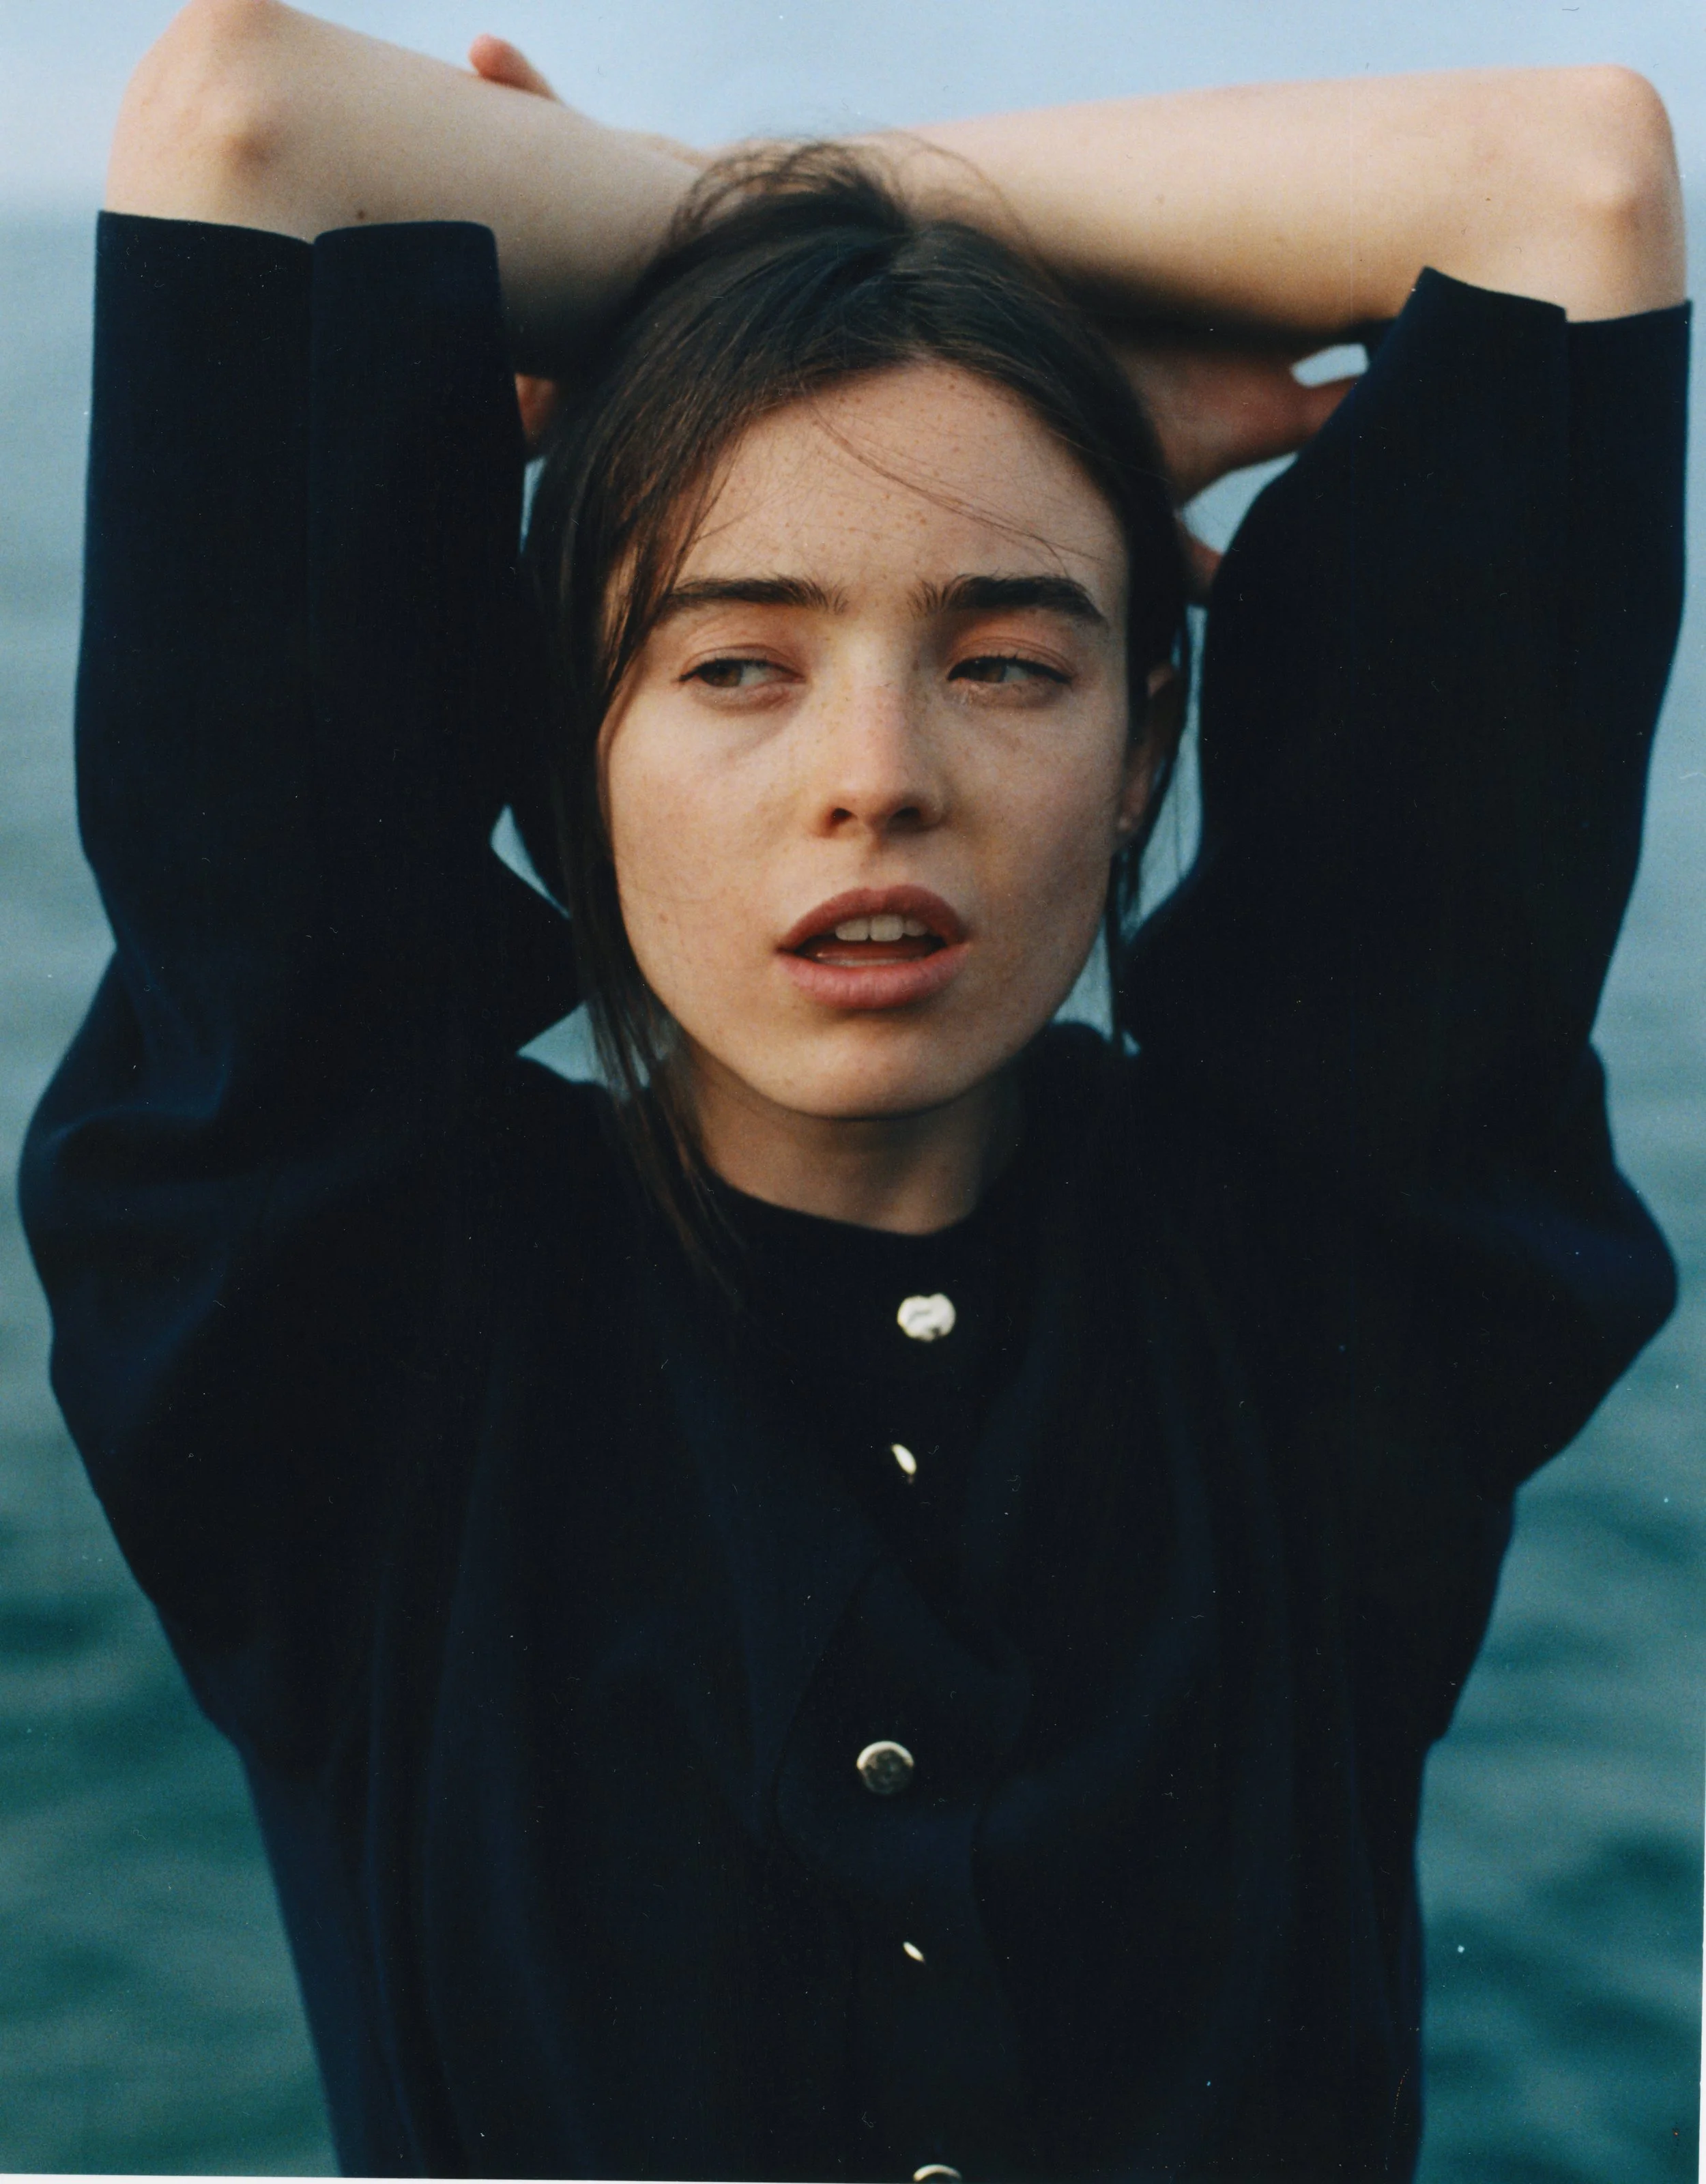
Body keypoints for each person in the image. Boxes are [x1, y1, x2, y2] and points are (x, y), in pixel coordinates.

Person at [19, 3, 1688, 2177]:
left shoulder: (1320, 1280)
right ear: (560, 742)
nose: (876, 779)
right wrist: (812, 284)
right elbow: (249, 114)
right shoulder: (354, 1319)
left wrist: (843, 269)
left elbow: (1571, 180)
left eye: (1006, 659)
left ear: (1145, 748)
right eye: (736, 662)